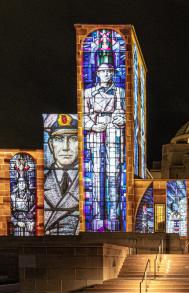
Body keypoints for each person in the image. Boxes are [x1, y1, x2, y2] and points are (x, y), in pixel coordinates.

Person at [82, 33, 126, 232]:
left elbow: (124, 116)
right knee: (97, 174)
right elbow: (83, 117)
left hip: (113, 134)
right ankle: (98, 216)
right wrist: (93, 124)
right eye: (103, 71)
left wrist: (113, 120)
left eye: (109, 71)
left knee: (113, 175)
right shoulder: (88, 93)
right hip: (95, 134)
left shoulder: (119, 92)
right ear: (97, 73)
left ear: (113, 73)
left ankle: (115, 215)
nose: (106, 74)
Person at [43, 115, 80, 235]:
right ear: (50, 145)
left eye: (74, 139)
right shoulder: (40, 182)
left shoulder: (92, 186)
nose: (66, 147)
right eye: (59, 139)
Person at [9, 165, 35, 236]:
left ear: (26, 184)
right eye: (20, 183)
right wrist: (16, 222)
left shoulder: (31, 196)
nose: (22, 185)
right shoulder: (12, 196)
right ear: (17, 184)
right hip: (17, 223)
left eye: (23, 183)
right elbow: (8, 212)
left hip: (28, 222)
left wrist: (32, 221)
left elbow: (36, 210)